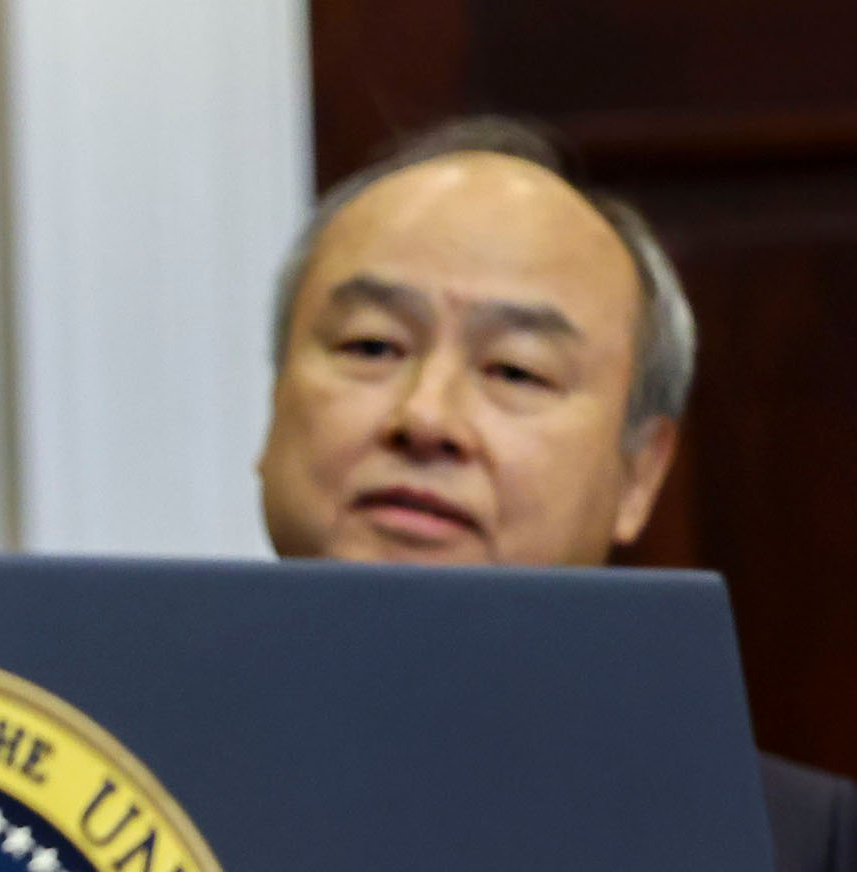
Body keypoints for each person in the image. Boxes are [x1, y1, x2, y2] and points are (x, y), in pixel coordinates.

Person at [254, 117, 855, 872]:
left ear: (640, 476)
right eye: (371, 346)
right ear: (275, 403)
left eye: (516, 370)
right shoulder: (89, 781)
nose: (427, 418)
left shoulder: (807, 846)